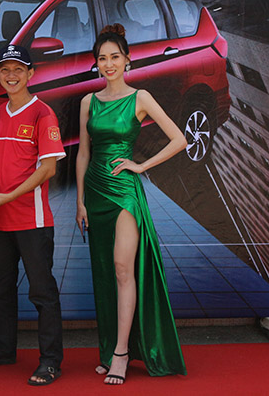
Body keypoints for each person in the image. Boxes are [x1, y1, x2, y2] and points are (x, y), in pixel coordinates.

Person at [75, 24, 187, 385]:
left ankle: (122, 353)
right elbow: (83, 154)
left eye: (115, 57)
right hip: (95, 192)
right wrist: (79, 201)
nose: (108, 64)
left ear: (127, 60)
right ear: (96, 63)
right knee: (104, 273)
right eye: (102, 58)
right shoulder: (88, 102)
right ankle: (110, 349)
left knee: (123, 269)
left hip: (124, 193)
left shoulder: (140, 98)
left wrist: (141, 166)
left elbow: (179, 140)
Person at [0, 45, 66, 387]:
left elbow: (48, 169)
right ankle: (3, 349)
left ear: (31, 74)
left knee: (42, 292)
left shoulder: (43, 114)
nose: (11, 75)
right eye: (5, 70)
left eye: (18, 69)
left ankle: (51, 361)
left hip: (31, 219)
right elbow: (0, 159)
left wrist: (10, 195)